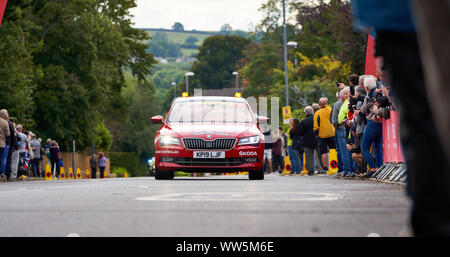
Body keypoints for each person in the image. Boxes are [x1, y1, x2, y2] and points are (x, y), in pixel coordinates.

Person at [360, 77, 384, 178]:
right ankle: (379, 168)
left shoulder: (369, 96)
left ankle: (372, 168)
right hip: (381, 122)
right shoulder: (380, 93)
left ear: (366, 87)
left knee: (365, 147)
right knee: (378, 146)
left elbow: (363, 109)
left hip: (372, 121)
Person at [313, 97, 336, 174]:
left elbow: (316, 126)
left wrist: (316, 134)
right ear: (326, 103)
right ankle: (334, 166)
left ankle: (326, 168)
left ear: (319, 104)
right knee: (333, 150)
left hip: (322, 135)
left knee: (323, 152)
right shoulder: (330, 110)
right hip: (332, 133)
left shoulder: (317, 113)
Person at [336, 87, 354, 177]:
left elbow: (339, 120)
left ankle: (347, 170)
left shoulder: (344, 105)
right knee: (351, 150)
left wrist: (344, 120)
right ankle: (353, 170)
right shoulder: (351, 103)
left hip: (346, 129)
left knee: (345, 151)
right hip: (353, 128)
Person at [299, 106, 318, 176]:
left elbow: (300, 132)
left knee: (309, 156)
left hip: (307, 141)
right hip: (317, 139)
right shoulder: (315, 118)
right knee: (319, 155)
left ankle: (310, 170)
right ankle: (322, 169)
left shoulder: (303, 121)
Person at [312, 103, 325, 174]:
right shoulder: (322, 113)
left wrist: (316, 134)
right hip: (324, 136)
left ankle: (321, 169)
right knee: (323, 152)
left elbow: (316, 127)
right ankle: (325, 168)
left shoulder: (316, 115)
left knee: (317, 155)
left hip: (317, 137)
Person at [0, 109, 10, 180]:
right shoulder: (5, 122)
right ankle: (2, 174)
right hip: (1, 143)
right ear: (3, 115)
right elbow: (8, 134)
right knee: (2, 159)